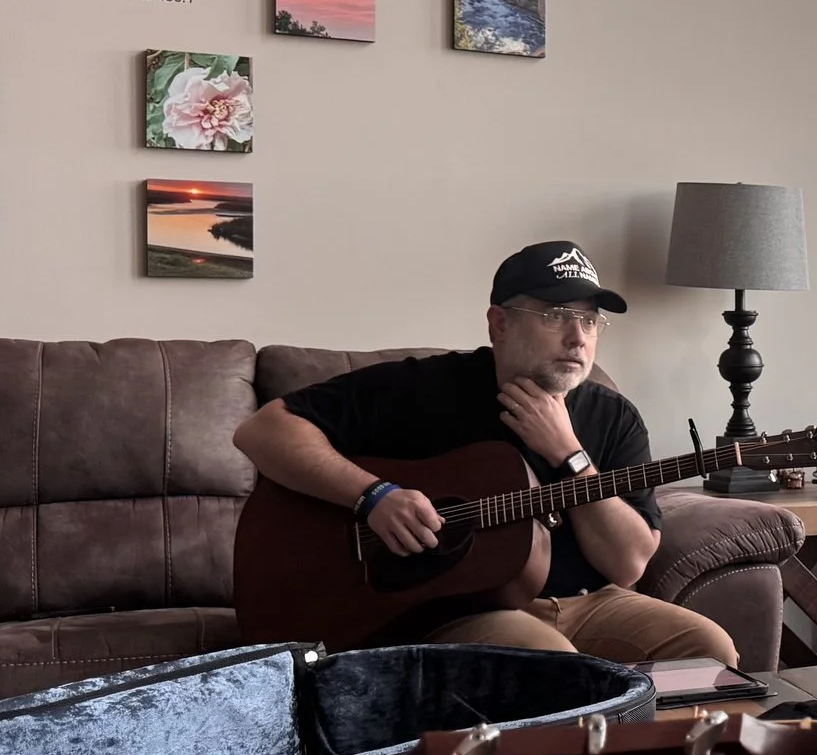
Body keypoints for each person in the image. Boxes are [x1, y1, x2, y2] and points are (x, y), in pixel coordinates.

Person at [233, 240, 738, 666]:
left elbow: (628, 565)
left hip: (590, 602)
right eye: (557, 316)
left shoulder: (613, 416)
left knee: (710, 651)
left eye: (589, 321)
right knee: (553, 663)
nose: (578, 338)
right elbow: (263, 431)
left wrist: (568, 452)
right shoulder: (424, 388)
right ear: (499, 324)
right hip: (464, 610)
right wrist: (374, 495)